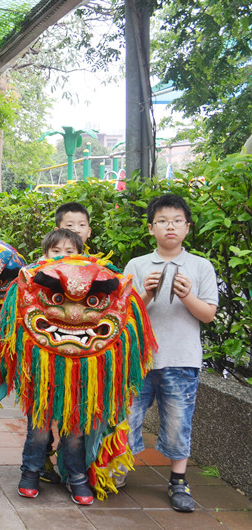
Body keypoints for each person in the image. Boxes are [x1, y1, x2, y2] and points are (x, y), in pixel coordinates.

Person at [122, 194, 218, 512]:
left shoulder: (201, 267)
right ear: (151, 229)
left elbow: (207, 315)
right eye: (162, 221)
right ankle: (117, 470)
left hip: (182, 359)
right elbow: (123, 314)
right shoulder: (137, 266)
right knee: (127, 418)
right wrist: (145, 294)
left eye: (177, 220)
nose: (170, 226)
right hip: (140, 358)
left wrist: (188, 296)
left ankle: (178, 481)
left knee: (178, 423)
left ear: (187, 228)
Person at [18, 228, 95, 505]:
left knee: (74, 428)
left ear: (81, 254)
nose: (63, 256)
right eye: (56, 251)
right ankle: (31, 471)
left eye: (70, 251)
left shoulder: (94, 279)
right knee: (39, 426)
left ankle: (77, 476)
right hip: (43, 366)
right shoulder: (31, 278)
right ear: (45, 254)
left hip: (79, 368)